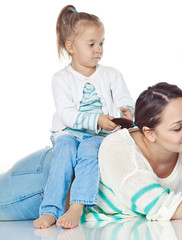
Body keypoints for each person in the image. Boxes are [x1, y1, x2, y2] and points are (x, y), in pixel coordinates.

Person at [0, 82, 182, 224]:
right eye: (177, 127)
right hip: (48, 181)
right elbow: (161, 206)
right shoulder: (119, 151)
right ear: (149, 133)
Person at [33, 5, 135, 229]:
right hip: (69, 132)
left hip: (98, 135)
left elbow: (124, 98)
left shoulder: (111, 74)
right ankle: (50, 210)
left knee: (89, 154)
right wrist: (96, 119)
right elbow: (66, 113)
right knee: (64, 155)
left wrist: (126, 111)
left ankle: (77, 206)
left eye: (101, 43)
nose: (98, 49)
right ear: (71, 46)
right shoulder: (61, 78)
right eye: (91, 44)